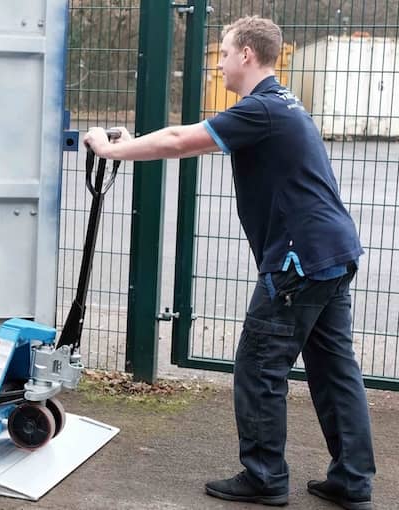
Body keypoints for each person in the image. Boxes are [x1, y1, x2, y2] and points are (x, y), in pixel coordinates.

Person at [83, 15, 375, 510]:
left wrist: (112, 149)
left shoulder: (261, 109)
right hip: (333, 251)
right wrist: (132, 140)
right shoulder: (280, 105)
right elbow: (184, 134)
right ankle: (352, 480)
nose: (217, 64)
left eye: (222, 53)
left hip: (298, 260)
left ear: (247, 54)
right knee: (333, 369)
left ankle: (264, 477)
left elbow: (179, 141)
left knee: (260, 366)